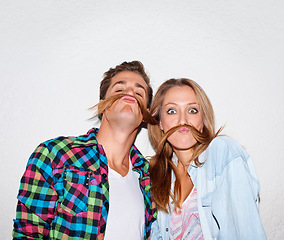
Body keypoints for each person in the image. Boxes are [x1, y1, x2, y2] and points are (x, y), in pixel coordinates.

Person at [13, 61, 157, 240]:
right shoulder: (55, 155)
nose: (129, 94)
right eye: (119, 90)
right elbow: (29, 233)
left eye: (138, 93)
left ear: (145, 114)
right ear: (103, 105)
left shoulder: (150, 176)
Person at [148, 78, 266, 240]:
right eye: (172, 111)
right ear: (160, 122)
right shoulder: (158, 176)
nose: (183, 120)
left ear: (203, 119)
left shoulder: (222, 152)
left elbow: (245, 231)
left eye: (192, 110)